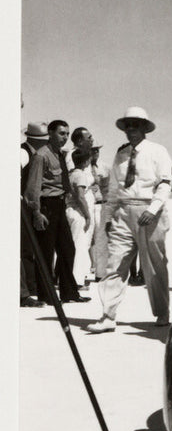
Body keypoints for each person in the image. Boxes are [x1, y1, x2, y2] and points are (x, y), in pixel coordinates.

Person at [87, 107, 172, 333]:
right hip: (123, 213)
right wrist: (108, 217)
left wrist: (153, 209)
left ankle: (162, 312)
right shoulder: (121, 154)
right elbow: (114, 189)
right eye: (128, 126)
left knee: (154, 265)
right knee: (115, 263)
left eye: (136, 125)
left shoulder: (158, 151)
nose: (131, 129)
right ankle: (108, 315)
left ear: (145, 127)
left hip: (149, 212)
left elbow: (165, 183)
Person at [23, 120, 87, 304]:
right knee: (45, 252)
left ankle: (69, 293)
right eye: (61, 133)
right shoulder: (41, 156)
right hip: (46, 206)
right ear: (50, 133)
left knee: (68, 249)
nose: (65, 137)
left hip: (59, 206)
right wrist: (36, 212)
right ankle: (47, 295)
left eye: (67, 133)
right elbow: (33, 187)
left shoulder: (60, 154)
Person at [20, 121, 49, 307]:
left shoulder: (34, 153)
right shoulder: (24, 153)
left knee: (29, 248)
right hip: (23, 206)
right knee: (24, 249)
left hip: (29, 206)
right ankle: (25, 292)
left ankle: (31, 288)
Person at [65, 150, 94, 287]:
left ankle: (66, 278)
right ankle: (76, 280)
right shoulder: (81, 176)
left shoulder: (70, 174)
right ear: (86, 161)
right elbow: (80, 196)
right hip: (77, 212)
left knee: (70, 246)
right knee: (79, 246)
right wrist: (88, 215)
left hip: (68, 210)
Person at [89, 144, 110, 280]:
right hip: (88, 205)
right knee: (88, 239)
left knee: (101, 238)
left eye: (97, 150)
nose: (96, 152)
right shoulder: (83, 167)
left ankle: (100, 271)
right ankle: (91, 265)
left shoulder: (105, 167)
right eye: (93, 149)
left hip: (101, 205)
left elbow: (109, 187)